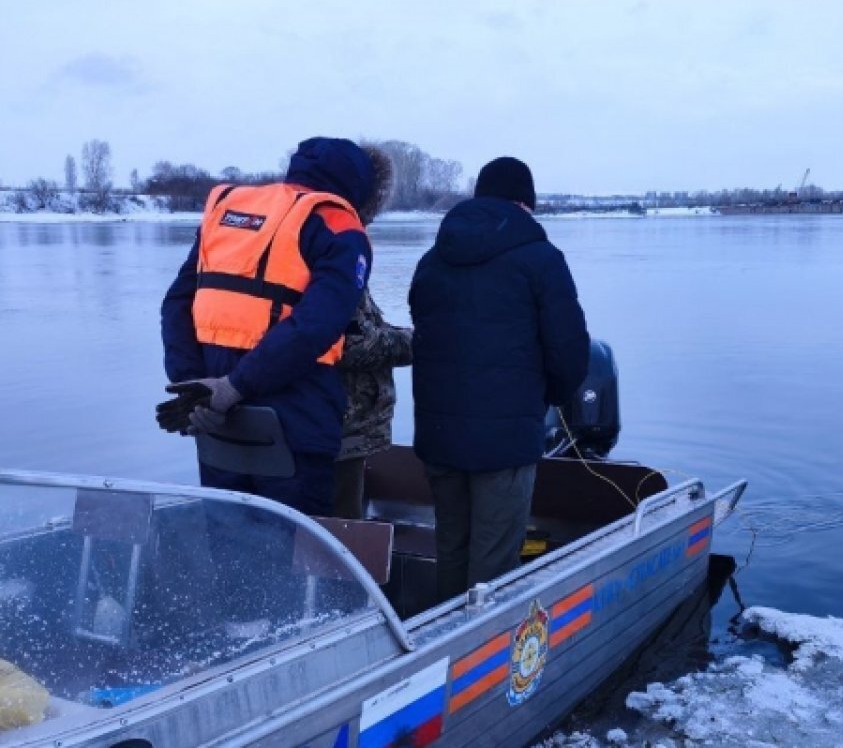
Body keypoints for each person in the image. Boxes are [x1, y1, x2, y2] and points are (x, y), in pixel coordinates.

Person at [161, 137, 389, 517]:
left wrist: (195, 389)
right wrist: (234, 388)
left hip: (217, 419)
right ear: (359, 188)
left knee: (228, 542)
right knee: (300, 554)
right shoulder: (340, 225)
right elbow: (316, 325)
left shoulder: (227, 212)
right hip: (296, 419)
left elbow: (178, 303)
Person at [408, 156, 591, 600]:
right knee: (494, 563)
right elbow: (568, 350)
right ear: (525, 203)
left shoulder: (433, 260)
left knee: (451, 547)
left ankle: (442, 650)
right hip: (506, 440)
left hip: (438, 433)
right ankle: (481, 662)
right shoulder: (542, 259)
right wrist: (551, 398)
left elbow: (423, 330)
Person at [334, 291, 413, 518]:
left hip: (345, 429)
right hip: (343, 430)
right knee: (341, 524)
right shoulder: (338, 271)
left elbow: (369, 327)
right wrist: (420, 340)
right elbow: (357, 346)